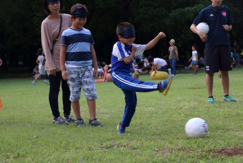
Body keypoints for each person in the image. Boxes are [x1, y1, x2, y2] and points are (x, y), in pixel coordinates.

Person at [111, 22, 173, 134]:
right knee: (136, 84)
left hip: (126, 75)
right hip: (118, 75)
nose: (132, 40)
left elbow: (147, 46)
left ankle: (122, 126)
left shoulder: (131, 45)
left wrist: (158, 37)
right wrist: (133, 51)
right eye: (129, 38)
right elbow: (127, 60)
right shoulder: (118, 45)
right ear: (120, 37)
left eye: (133, 38)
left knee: (132, 103)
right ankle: (159, 86)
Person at [60, 3, 103, 127]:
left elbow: (92, 51)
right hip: (72, 69)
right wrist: (63, 69)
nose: (82, 22)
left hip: (87, 68)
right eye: (80, 19)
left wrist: (95, 67)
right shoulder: (66, 34)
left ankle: (93, 119)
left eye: (84, 19)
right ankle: (78, 119)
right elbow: (62, 52)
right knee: (74, 94)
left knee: (91, 92)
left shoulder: (88, 33)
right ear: (72, 18)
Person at [190, 0, 236, 103]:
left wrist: (228, 27)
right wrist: (199, 33)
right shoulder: (205, 11)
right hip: (211, 45)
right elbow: (192, 26)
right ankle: (210, 96)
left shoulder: (226, 10)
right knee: (210, 72)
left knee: (225, 71)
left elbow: (230, 25)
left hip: (224, 44)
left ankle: (226, 95)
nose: (217, 0)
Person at [41, 0, 75, 124]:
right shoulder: (46, 23)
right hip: (54, 61)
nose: (55, 5)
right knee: (54, 89)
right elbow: (46, 45)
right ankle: (56, 117)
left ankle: (67, 114)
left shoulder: (67, 18)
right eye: (52, 3)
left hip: (68, 61)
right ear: (47, 6)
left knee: (68, 89)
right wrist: (50, 64)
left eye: (57, 2)